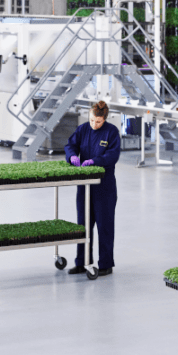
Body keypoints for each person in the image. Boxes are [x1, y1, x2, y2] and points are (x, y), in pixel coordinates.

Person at [65, 101, 121, 277]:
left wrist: (95, 161)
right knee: (83, 224)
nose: (94, 124)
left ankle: (105, 264)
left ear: (104, 118)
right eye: (91, 120)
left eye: (98, 121)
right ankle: (82, 262)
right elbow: (70, 145)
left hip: (104, 186)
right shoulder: (83, 129)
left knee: (104, 225)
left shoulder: (112, 132)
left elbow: (113, 155)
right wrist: (72, 156)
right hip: (84, 184)